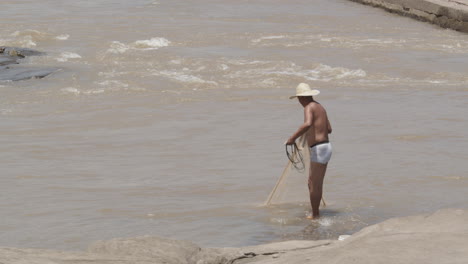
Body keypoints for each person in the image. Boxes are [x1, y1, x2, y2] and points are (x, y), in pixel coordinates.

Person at [286, 83, 332, 219]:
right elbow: (329, 129)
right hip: (326, 147)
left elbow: (307, 123)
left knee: (313, 183)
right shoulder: (320, 107)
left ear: (301, 98)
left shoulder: (308, 107)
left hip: (319, 149)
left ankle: (315, 215)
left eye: (299, 99)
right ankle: (316, 211)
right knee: (314, 183)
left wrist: (292, 138)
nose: (299, 102)